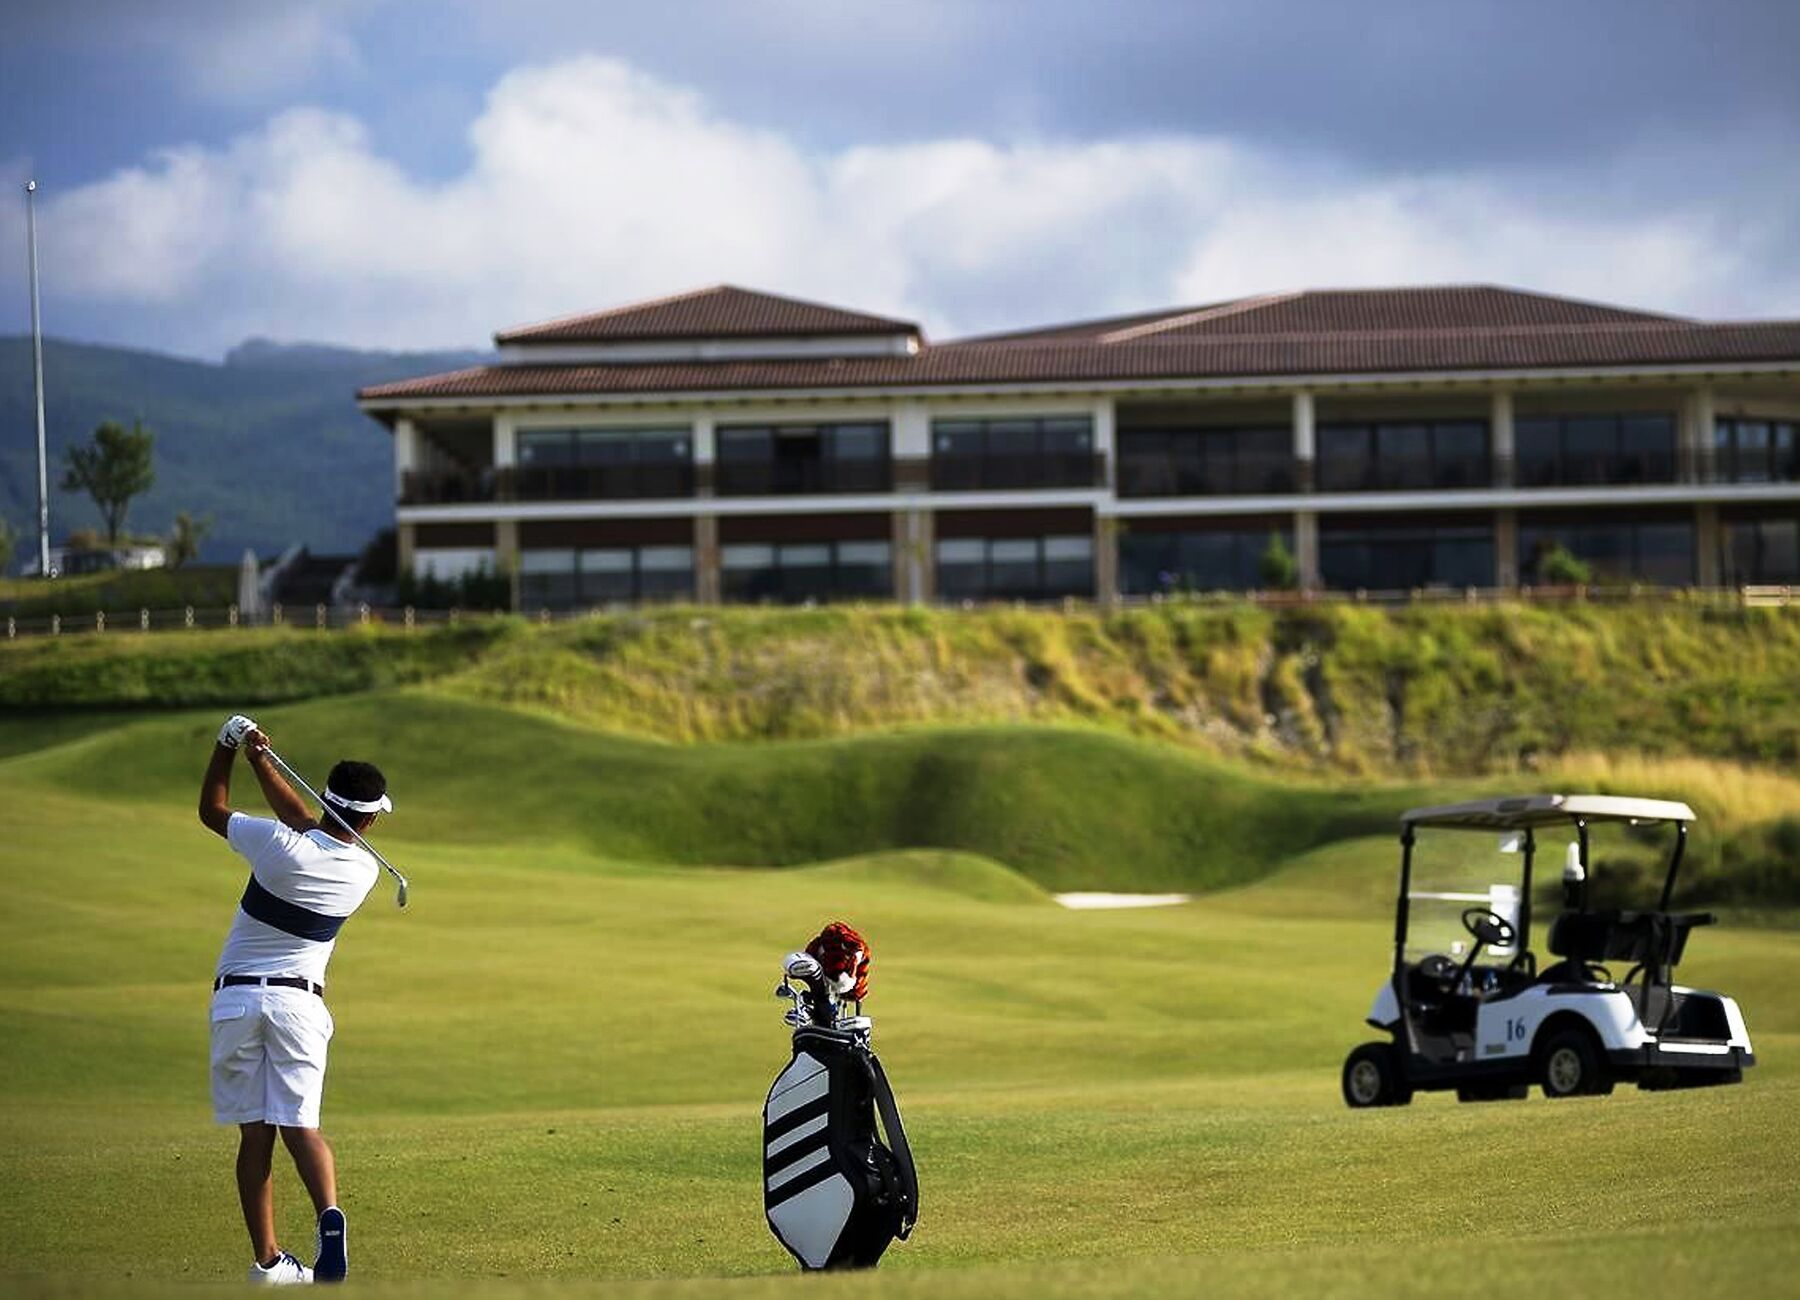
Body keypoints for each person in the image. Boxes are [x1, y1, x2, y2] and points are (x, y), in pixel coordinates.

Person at [198, 714, 391, 1285]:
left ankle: (267, 1262)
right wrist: (262, 760)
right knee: (301, 1126)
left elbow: (213, 811)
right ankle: (329, 1216)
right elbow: (308, 824)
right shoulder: (363, 871)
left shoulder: (277, 845)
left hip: (236, 1002)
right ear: (369, 819)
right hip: (301, 1008)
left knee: (255, 1134)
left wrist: (231, 748)